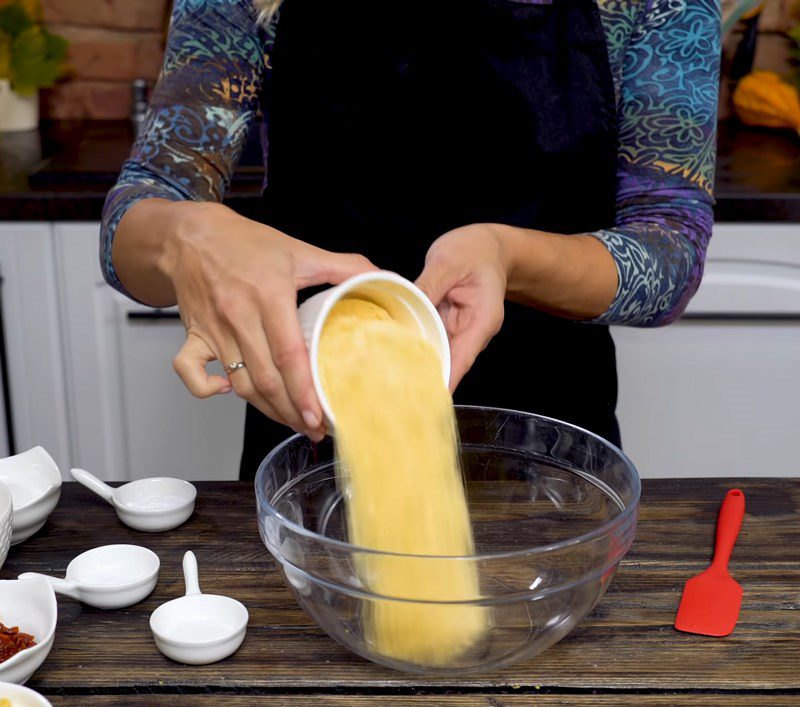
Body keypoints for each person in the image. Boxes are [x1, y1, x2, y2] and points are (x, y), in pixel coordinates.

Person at [101, 0, 720, 480]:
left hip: (548, 461)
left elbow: (669, 250)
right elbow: (136, 214)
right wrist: (187, 236)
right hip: (315, 439)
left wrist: (508, 257)